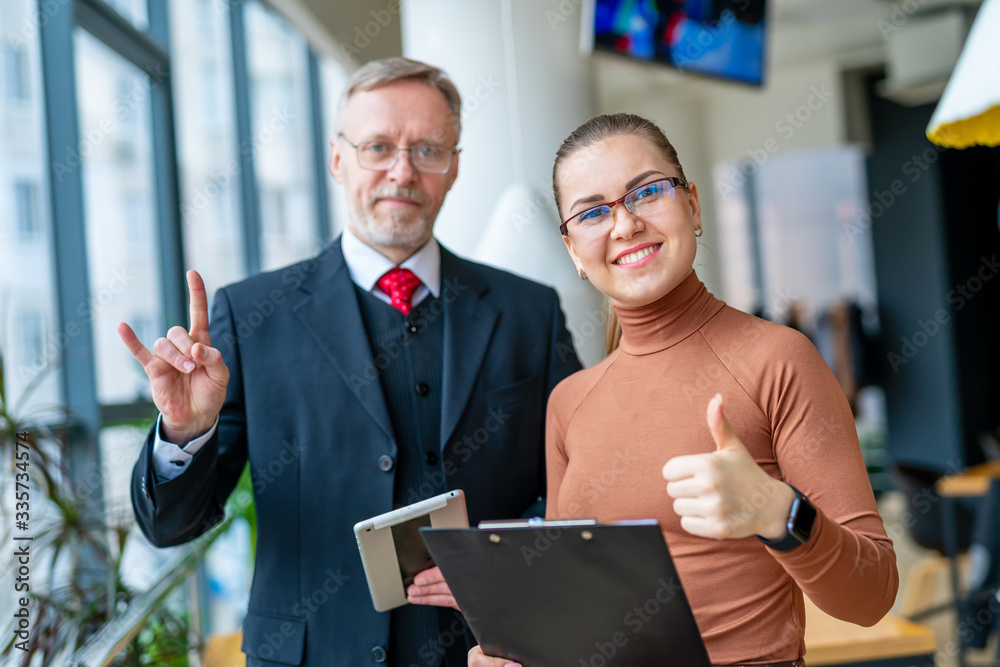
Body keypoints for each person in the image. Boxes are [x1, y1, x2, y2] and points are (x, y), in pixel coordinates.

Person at [120, 57, 581, 667]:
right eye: (378, 147)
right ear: (337, 159)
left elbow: (584, 474)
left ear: (455, 168)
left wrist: (509, 555)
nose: (402, 171)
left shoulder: (531, 310)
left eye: (427, 150)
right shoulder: (253, 313)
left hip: (498, 652)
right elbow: (171, 528)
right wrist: (183, 431)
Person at [469, 113, 898, 666]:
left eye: (646, 192)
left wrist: (776, 513)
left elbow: (873, 595)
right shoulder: (568, 402)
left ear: (692, 205)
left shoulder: (779, 360)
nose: (623, 225)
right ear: (573, 249)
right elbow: (572, 611)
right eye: (593, 212)